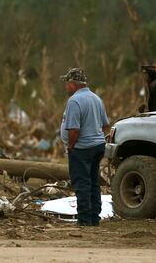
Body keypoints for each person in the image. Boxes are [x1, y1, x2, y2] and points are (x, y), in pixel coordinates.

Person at [59, 67, 110, 226]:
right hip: (98, 146)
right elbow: (105, 126)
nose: (66, 87)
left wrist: (71, 146)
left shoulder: (74, 101)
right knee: (93, 182)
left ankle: (84, 220)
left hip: (82, 148)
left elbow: (74, 130)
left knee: (82, 183)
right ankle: (94, 218)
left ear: (73, 84)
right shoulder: (96, 98)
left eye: (67, 84)